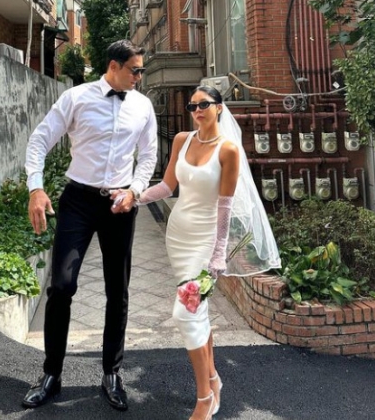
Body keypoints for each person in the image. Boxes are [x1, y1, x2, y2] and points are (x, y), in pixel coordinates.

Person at [125, 86, 280, 420]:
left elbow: (225, 207)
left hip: (206, 241)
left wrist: (219, 254)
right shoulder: (182, 140)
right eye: (192, 106)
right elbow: (167, 186)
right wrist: (134, 196)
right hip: (178, 237)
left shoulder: (228, 150)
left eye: (204, 104)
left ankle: (204, 398)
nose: (197, 110)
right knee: (199, 315)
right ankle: (212, 379)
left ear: (219, 108)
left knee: (185, 314)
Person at [22, 39, 157, 412]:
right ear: (114, 66)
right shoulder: (76, 98)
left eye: (141, 70)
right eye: (135, 70)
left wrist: (135, 190)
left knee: (118, 290)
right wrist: (36, 188)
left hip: (120, 204)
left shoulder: (143, 106)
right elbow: (39, 141)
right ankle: (51, 374)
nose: (139, 77)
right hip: (79, 201)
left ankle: (112, 373)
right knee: (62, 286)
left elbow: (148, 156)